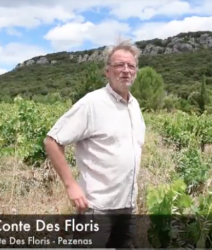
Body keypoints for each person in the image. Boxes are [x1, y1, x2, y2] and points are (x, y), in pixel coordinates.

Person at [44, 39, 146, 248]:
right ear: (107, 71)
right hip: (97, 208)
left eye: (131, 66)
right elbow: (52, 141)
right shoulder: (92, 103)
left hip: (127, 207)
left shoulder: (134, 105)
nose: (126, 70)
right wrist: (71, 185)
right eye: (119, 65)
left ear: (136, 71)